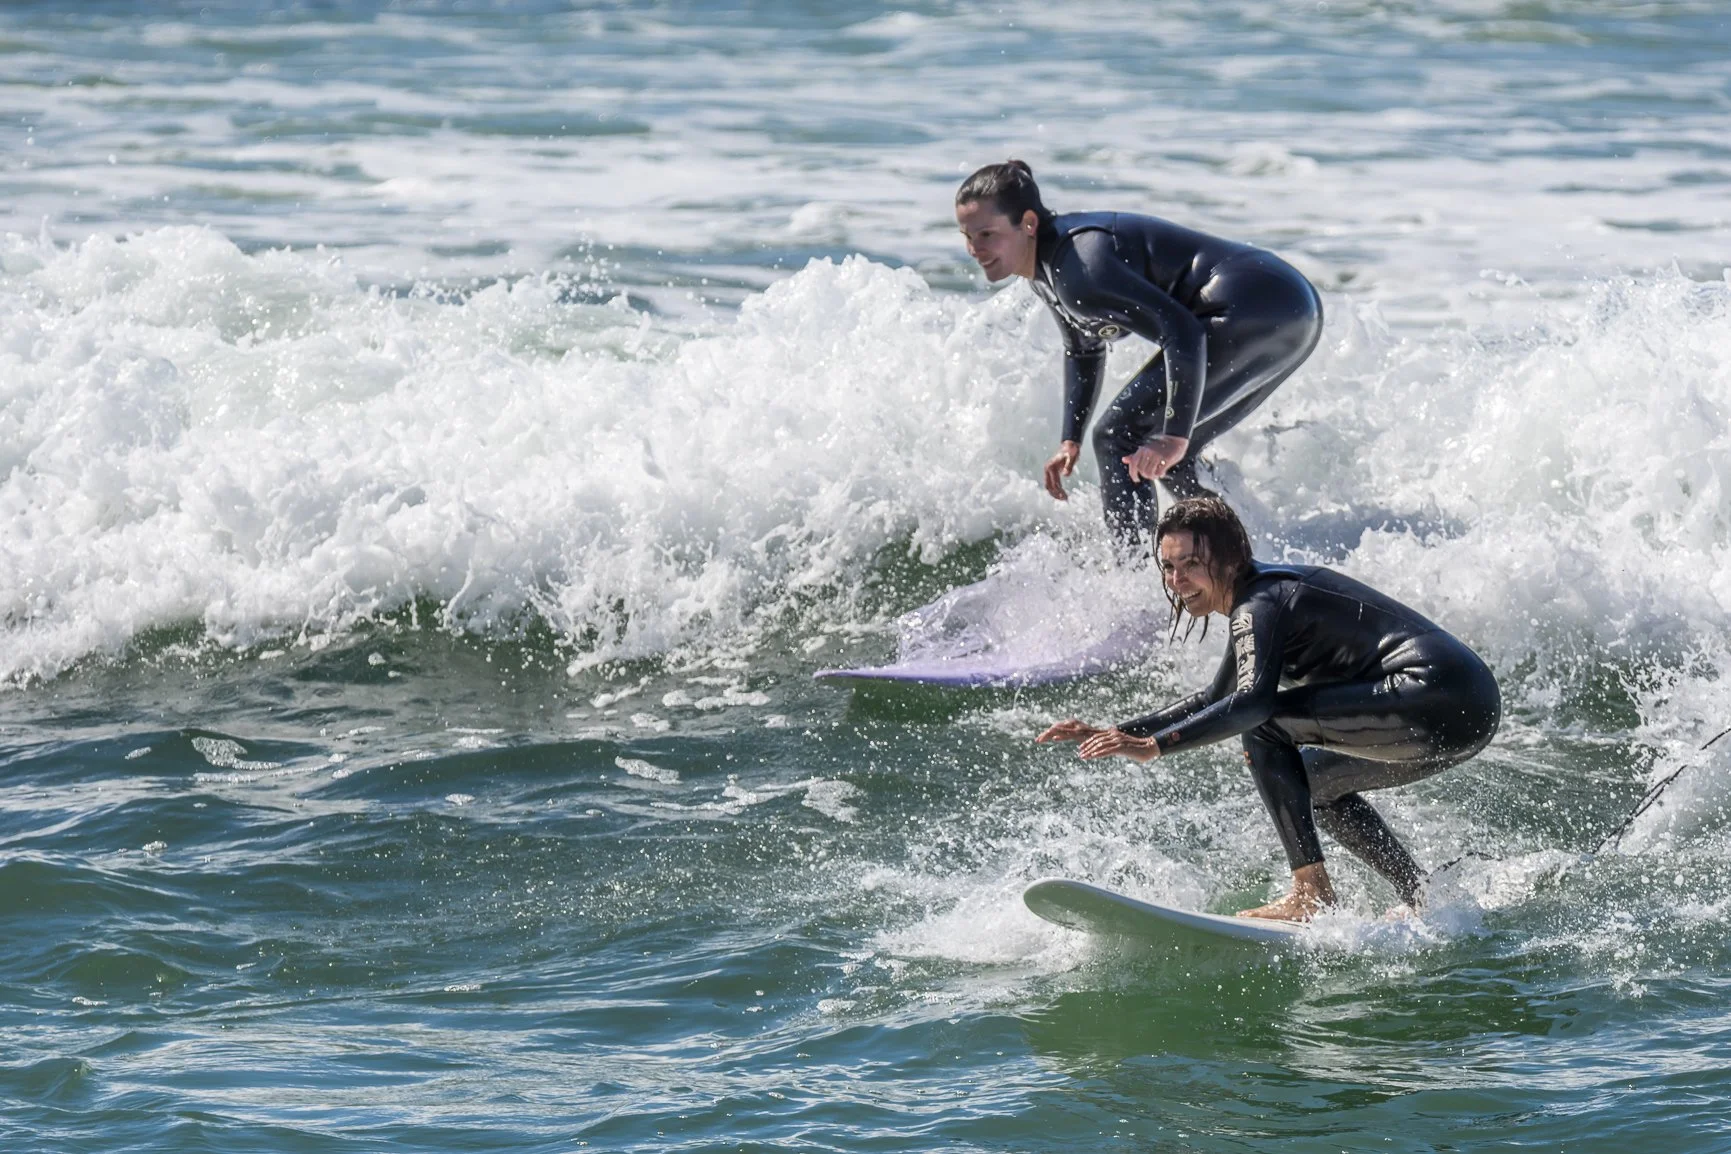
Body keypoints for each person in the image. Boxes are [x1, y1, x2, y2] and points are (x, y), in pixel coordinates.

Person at [1035, 497, 1500, 921]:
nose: (1177, 581)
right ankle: (1421, 898)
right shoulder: (1261, 602)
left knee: (1265, 724)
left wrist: (1154, 747)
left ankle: (1311, 893)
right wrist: (1118, 731)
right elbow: (1214, 699)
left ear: (1230, 559)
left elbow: (1252, 705)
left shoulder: (1258, 605)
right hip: (1464, 709)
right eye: (1169, 566)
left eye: (1192, 564)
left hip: (1436, 694)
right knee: (1314, 782)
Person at [955, 160, 1324, 549]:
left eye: (986, 234)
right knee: (1171, 458)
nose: (974, 249)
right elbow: (1083, 349)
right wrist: (1070, 440)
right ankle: (1251, 553)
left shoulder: (1080, 268)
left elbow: (1182, 331)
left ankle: (1131, 582)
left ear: (1027, 223)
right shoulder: (1049, 272)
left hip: (1255, 307)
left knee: (1119, 436)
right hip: (1290, 309)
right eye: (967, 236)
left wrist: (1175, 436)